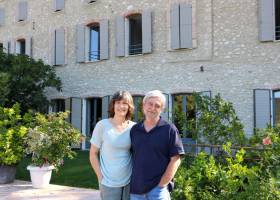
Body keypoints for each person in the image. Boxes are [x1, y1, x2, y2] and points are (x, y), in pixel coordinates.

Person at [130, 90, 185, 200]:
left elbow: (176, 159)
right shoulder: (135, 130)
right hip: (136, 190)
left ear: (162, 109)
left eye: (157, 106)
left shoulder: (169, 129)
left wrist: (162, 184)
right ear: (143, 105)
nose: (153, 108)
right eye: (150, 104)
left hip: (158, 191)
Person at [89, 91, 136, 200]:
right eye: (118, 102)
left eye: (125, 103)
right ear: (113, 105)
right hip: (108, 183)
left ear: (129, 107)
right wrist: (100, 178)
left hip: (129, 182)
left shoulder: (134, 127)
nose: (121, 106)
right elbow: (93, 154)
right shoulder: (102, 125)